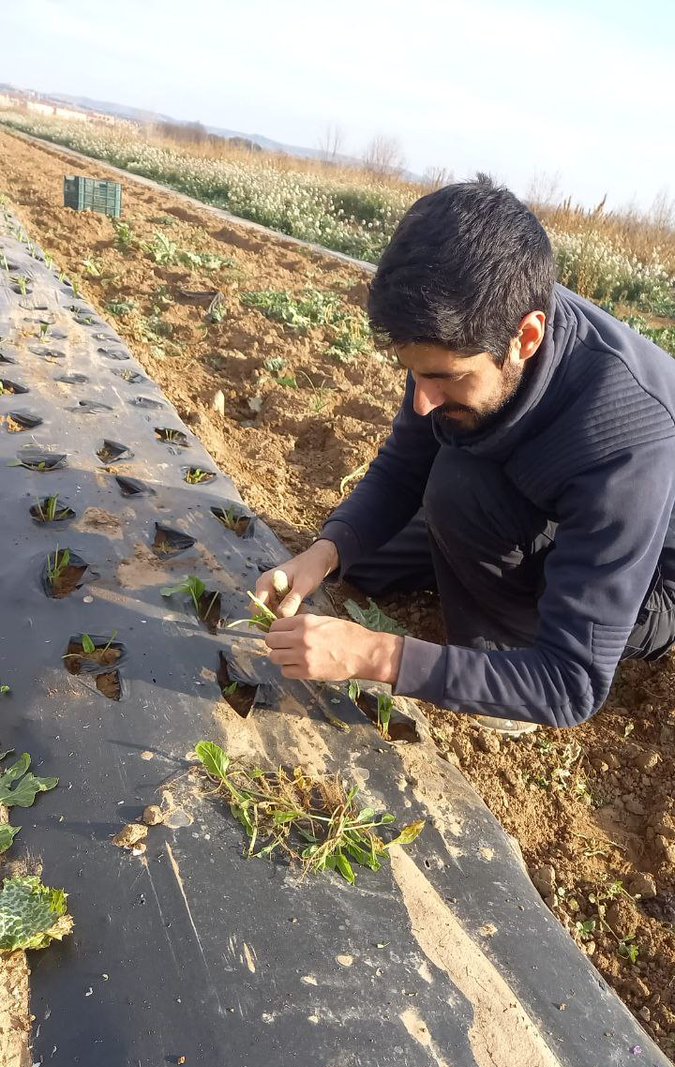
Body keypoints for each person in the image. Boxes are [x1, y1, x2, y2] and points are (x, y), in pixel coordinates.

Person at [256, 176, 675, 735]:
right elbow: (404, 462)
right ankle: (465, 562)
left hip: (641, 586)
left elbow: (572, 684)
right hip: (535, 495)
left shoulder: (627, 438)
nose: (422, 400)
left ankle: (504, 651)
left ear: (526, 339)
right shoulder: (469, 323)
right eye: (414, 374)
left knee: (456, 484)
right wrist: (324, 554)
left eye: (445, 378)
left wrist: (378, 656)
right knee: (368, 559)